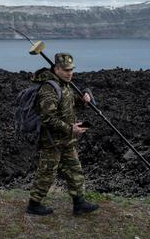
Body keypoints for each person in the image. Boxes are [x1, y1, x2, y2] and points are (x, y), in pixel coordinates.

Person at [26, 53, 99, 216]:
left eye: (71, 69)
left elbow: (71, 104)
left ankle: (79, 203)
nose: (69, 73)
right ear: (56, 68)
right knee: (46, 173)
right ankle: (34, 204)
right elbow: (47, 118)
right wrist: (70, 128)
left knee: (75, 170)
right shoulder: (49, 89)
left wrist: (84, 98)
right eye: (66, 70)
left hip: (67, 140)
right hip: (52, 142)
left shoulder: (65, 85)